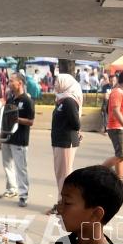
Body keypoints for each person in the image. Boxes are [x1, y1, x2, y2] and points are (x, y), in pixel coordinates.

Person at [0, 73, 35, 207]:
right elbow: (5, 119)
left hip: (20, 140)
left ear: (20, 83)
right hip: (8, 138)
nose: (9, 82)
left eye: (12, 81)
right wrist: (1, 137)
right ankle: (11, 189)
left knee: (21, 168)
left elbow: (31, 121)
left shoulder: (27, 101)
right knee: (7, 166)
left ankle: (23, 195)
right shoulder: (11, 99)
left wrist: (17, 119)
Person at [47, 74, 82, 215]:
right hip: (59, 141)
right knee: (61, 174)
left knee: (64, 176)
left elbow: (75, 123)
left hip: (66, 142)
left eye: (57, 81)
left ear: (65, 83)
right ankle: (63, 203)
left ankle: (63, 205)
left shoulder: (69, 101)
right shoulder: (61, 100)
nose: (55, 84)